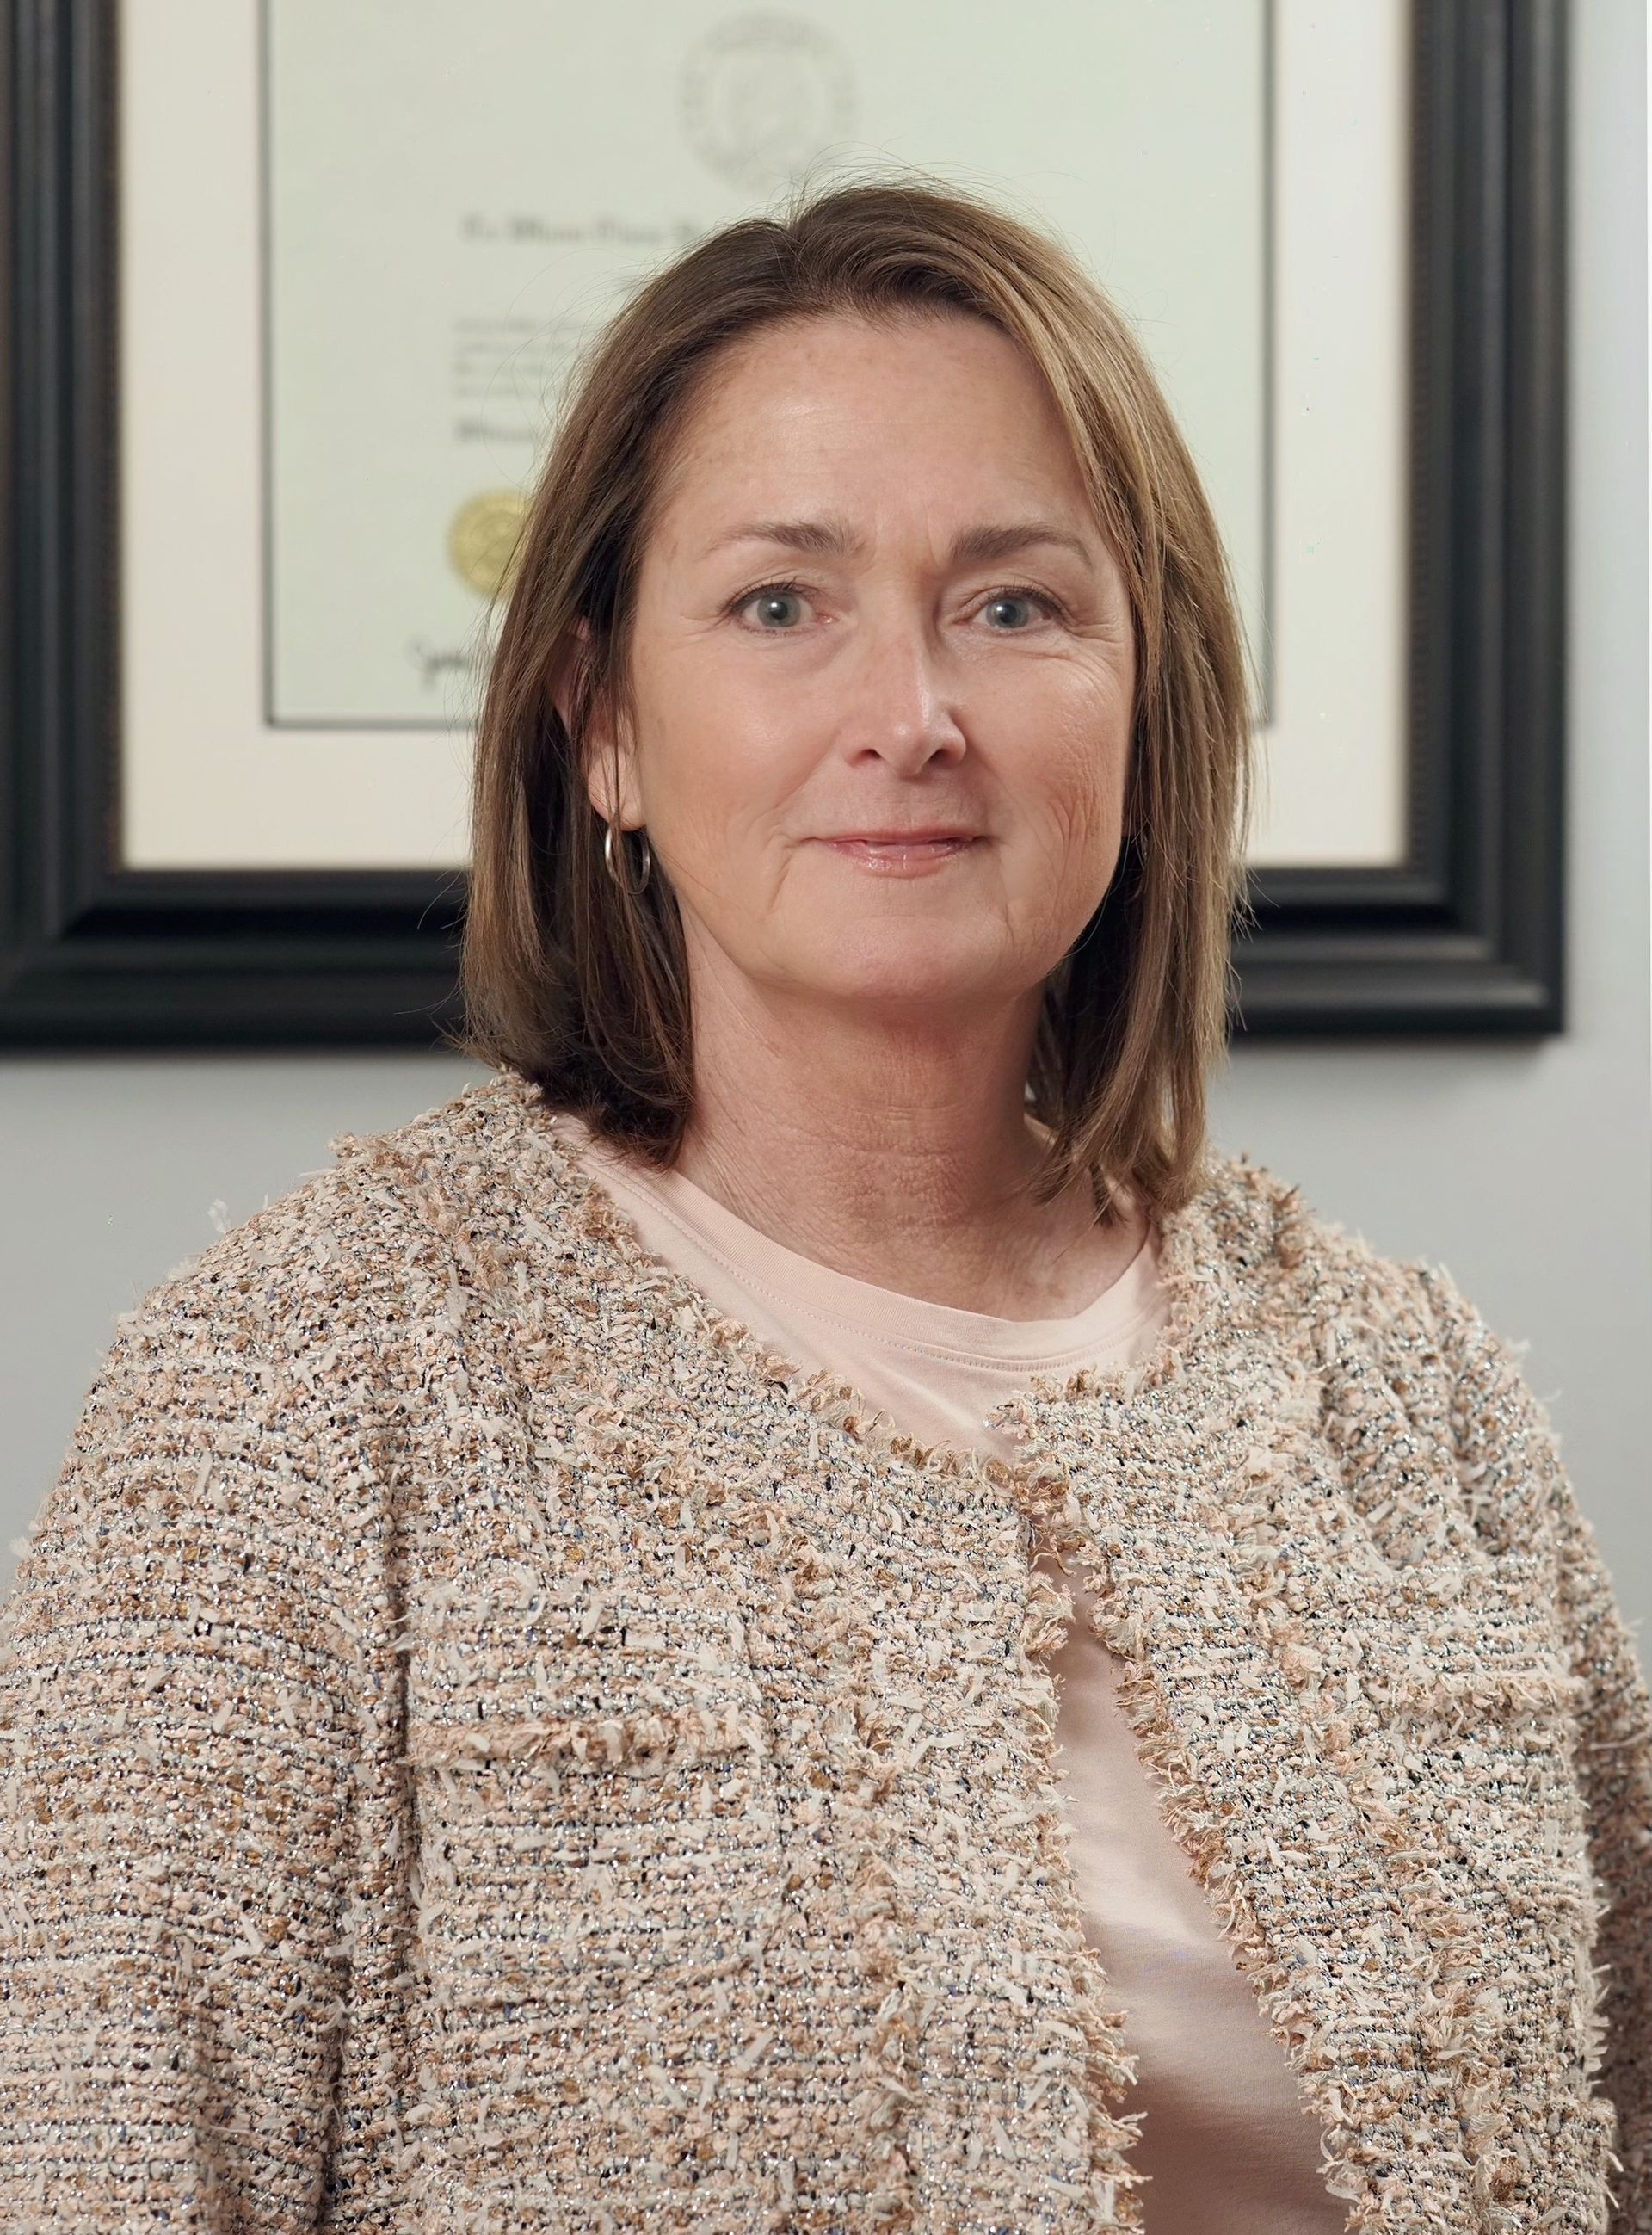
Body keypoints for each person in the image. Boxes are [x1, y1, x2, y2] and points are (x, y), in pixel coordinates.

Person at [1, 174, 1646, 2234]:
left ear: (1149, 709)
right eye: (781, 605)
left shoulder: (1410, 1398)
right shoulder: (301, 1391)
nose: (911, 718)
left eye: (1015, 607)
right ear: (604, 722)